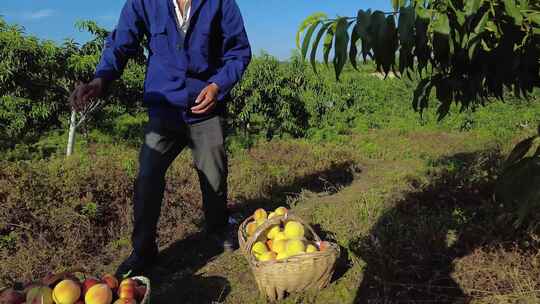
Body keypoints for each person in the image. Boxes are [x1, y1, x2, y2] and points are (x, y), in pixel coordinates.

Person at [70, 0, 251, 277]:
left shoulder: (220, 3)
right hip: (164, 106)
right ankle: (143, 250)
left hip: (205, 106)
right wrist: (100, 79)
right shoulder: (144, 2)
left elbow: (238, 52)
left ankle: (216, 228)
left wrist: (217, 86)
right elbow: (121, 42)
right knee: (148, 175)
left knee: (214, 172)